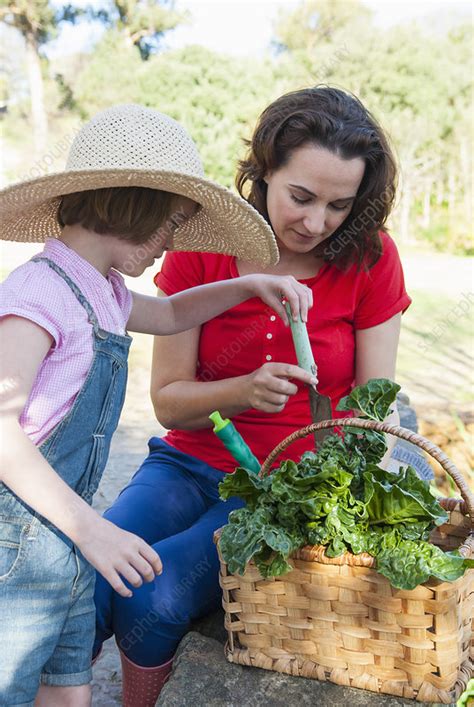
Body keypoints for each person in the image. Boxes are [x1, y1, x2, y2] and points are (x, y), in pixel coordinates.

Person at [93, 86, 412, 706]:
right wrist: (242, 391)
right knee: (91, 573)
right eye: (300, 196)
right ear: (264, 171)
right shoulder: (206, 248)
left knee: (153, 599)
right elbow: (168, 401)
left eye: (339, 205)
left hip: (285, 492)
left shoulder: (372, 259)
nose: (316, 222)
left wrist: (333, 497)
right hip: (187, 464)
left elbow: (374, 411)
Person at [0, 103, 314, 707]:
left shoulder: (107, 289)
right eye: (171, 223)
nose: (172, 245)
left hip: (61, 537)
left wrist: (250, 285)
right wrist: (94, 532)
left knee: (67, 684)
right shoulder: (38, 293)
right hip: (19, 548)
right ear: (131, 203)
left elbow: (170, 314)